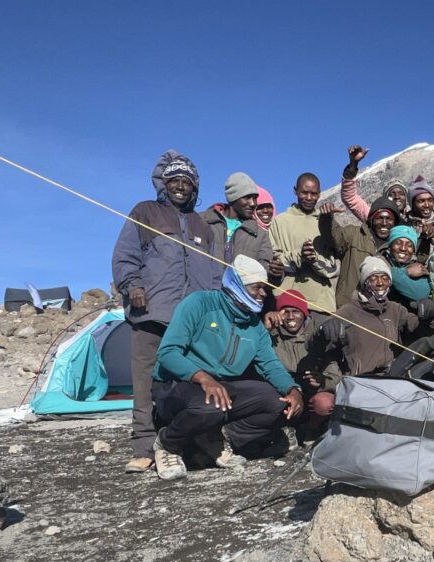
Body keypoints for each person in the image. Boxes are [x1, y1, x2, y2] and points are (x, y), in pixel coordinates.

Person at [112, 150, 224, 474]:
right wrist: (133, 286)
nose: (180, 186)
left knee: (190, 383)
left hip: (193, 323)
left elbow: (215, 274)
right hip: (152, 314)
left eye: (186, 182)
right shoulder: (145, 212)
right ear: (163, 183)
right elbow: (125, 255)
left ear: (194, 187)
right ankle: (144, 446)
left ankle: (190, 444)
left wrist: (213, 309)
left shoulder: (204, 226)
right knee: (146, 381)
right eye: (173, 180)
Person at [151, 255, 304, 480]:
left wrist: (293, 390)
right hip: (176, 383)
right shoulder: (199, 303)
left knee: (276, 403)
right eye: (257, 288)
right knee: (210, 407)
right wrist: (202, 378)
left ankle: (218, 438)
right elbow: (168, 352)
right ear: (237, 285)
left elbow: (270, 365)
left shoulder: (254, 324)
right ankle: (167, 443)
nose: (263, 294)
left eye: (265, 289)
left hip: (220, 386)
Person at [310, 256, 434, 378]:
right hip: (362, 381)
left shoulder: (396, 309)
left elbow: (420, 332)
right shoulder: (348, 312)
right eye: (374, 278)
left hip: (394, 379)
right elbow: (313, 346)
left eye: (385, 278)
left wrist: (429, 318)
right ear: (365, 282)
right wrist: (321, 332)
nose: (380, 283)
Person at [267, 289, 339, 441]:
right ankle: (281, 431)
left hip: (312, 393)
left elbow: (335, 371)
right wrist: (264, 328)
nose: (291, 317)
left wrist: (323, 382)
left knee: (324, 403)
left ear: (305, 313)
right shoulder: (271, 335)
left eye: (296, 311)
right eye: (285, 311)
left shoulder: (320, 334)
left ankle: (311, 429)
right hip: (285, 392)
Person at [267, 172, 340, 319]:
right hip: (288, 304)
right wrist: (299, 256)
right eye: (304, 192)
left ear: (319, 194)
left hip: (321, 306)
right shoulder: (280, 222)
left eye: (313, 194)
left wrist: (314, 259)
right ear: (295, 191)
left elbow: (334, 267)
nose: (308, 198)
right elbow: (274, 261)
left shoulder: (326, 223)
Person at [332, 193, 402, 307]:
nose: (384, 223)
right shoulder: (353, 234)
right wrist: (327, 219)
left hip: (379, 312)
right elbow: (335, 239)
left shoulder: (398, 247)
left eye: (389, 219)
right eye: (380, 218)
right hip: (347, 307)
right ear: (372, 219)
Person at [202, 173, 275, 276]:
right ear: (233, 197)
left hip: (240, 292)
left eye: (254, 198)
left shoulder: (260, 233)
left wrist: (275, 274)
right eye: (247, 198)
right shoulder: (204, 221)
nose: (253, 203)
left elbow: (264, 271)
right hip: (206, 290)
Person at [382, 225, 431, 303]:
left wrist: (395, 275)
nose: (403, 248)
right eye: (398, 243)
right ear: (390, 247)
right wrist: (406, 271)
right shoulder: (379, 261)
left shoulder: (417, 267)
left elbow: (420, 294)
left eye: (409, 245)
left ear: (413, 251)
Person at [407, 175, 434, 257]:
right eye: (421, 201)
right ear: (412, 204)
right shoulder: (406, 226)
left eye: (430, 200)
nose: (427, 205)